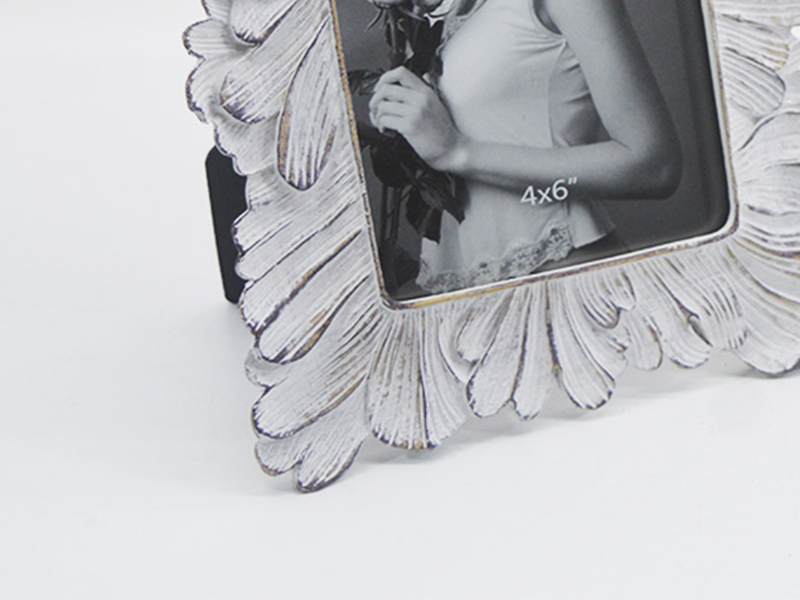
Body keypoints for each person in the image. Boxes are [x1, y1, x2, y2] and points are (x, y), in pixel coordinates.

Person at [368, 0, 682, 294]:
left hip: (564, 279)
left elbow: (654, 166)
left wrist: (459, 152)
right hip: (468, 297)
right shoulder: (429, 18)